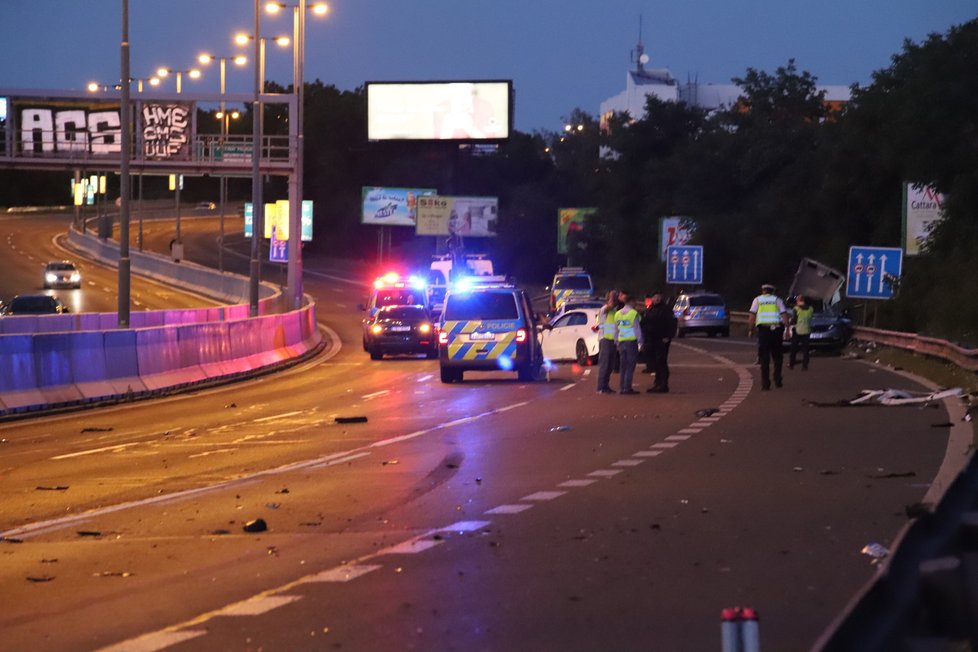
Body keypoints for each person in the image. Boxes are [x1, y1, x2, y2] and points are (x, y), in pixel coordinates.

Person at [748, 283, 791, 390]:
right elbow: (784, 315)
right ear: (773, 291)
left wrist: (750, 329)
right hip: (776, 330)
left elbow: (752, 315)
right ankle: (777, 379)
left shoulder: (757, 300)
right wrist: (787, 329)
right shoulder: (778, 300)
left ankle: (765, 384)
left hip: (763, 331)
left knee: (764, 358)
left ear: (763, 291)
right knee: (777, 357)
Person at [643, 291, 677, 393]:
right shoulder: (651, 309)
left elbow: (672, 323)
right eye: (655, 297)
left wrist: (668, 336)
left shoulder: (666, 309)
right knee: (655, 362)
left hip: (662, 339)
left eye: (659, 297)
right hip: (652, 339)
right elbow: (646, 322)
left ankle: (663, 384)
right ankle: (657, 383)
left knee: (661, 361)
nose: (657, 299)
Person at [615, 290, 643, 395]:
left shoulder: (617, 314)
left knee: (623, 366)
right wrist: (640, 342)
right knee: (630, 366)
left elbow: (616, 329)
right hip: (631, 342)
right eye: (634, 302)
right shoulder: (633, 313)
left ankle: (622, 387)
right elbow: (637, 329)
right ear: (631, 301)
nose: (635, 303)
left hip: (621, 343)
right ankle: (627, 388)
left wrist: (616, 342)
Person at [595, 289, 620, 394]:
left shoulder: (614, 311)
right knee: (605, 365)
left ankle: (605, 386)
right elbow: (609, 305)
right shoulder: (604, 309)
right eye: (611, 298)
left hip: (612, 340)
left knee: (610, 365)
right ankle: (601, 387)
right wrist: (612, 296)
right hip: (605, 339)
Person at [789, 294, 815, 370]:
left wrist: (790, 322)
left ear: (799, 300)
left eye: (797, 300)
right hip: (806, 330)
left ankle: (791, 364)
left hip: (797, 330)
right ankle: (805, 366)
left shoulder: (796, 309)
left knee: (793, 349)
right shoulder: (811, 308)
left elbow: (794, 320)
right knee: (805, 350)